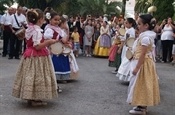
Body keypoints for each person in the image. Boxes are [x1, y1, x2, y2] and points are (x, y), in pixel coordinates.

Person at [12, 9, 58, 106]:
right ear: (40, 19)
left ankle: (31, 97)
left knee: (30, 75)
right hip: (36, 55)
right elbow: (37, 46)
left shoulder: (30, 28)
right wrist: (48, 42)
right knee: (38, 76)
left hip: (29, 54)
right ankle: (35, 99)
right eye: (43, 19)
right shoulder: (36, 30)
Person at [127, 14, 160, 114]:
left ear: (146, 26)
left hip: (143, 64)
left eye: (139, 24)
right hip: (142, 62)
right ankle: (141, 105)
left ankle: (142, 107)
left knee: (141, 84)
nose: (138, 26)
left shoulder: (146, 38)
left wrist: (137, 67)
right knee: (141, 84)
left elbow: (143, 54)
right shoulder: (144, 36)